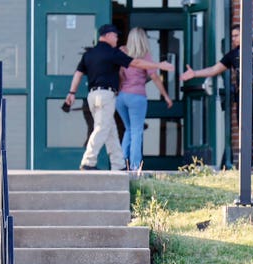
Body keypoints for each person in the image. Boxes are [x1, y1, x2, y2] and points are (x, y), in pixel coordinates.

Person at [64, 24, 173, 171]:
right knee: (103, 128)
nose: (117, 39)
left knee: (112, 131)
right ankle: (88, 161)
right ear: (108, 35)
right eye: (115, 36)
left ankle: (119, 165)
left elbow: (78, 73)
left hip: (94, 96)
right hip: (107, 96)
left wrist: (72, 93)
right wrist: (159, 65)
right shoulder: (113, 53)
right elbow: (136, 62)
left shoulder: (89, 54)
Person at [179, 25, 253, 165]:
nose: (234, 39)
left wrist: (252, 79)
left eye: (237, 35)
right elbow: (214, 69)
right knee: (245, 134)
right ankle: (245, 170)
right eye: (233, 36)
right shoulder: (233, 54)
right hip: (244, 97)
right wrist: (194, 73)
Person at [116, 27, 173, 171]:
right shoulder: (144, 55)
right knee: (136, 131)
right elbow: (155, 77)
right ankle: (135, 166)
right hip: (137, 97)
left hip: (121, 97)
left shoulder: (122, 52)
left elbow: (119, 74)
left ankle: (121, 164)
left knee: (128, 130)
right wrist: (166, 96)